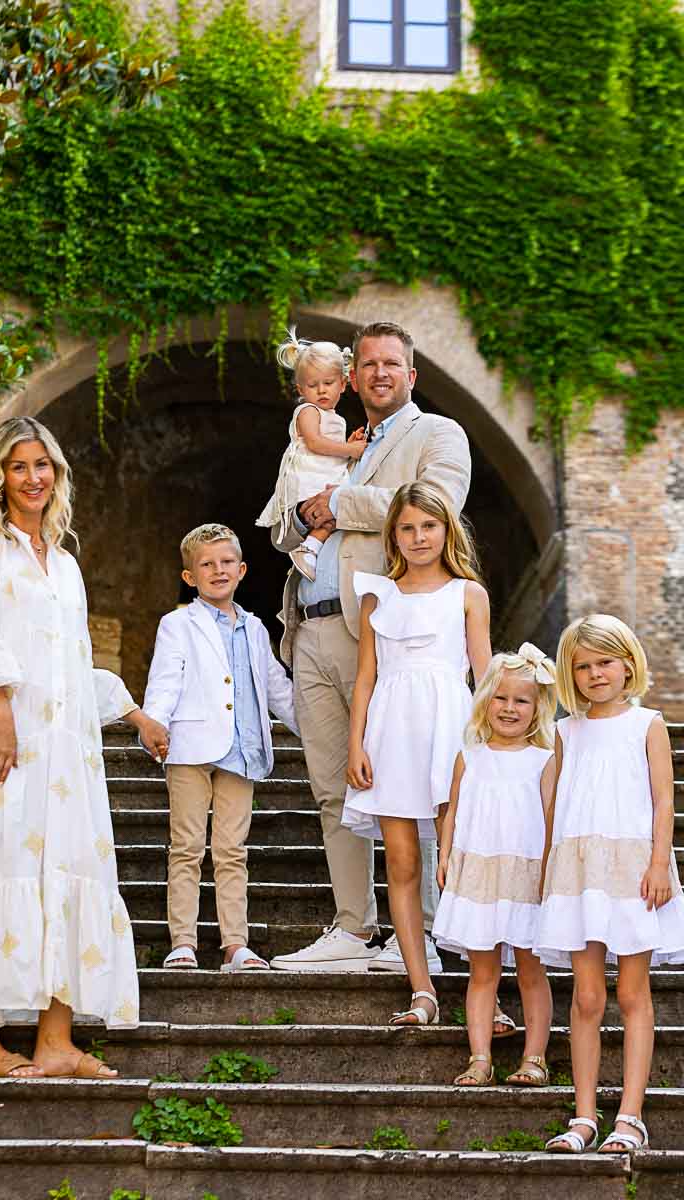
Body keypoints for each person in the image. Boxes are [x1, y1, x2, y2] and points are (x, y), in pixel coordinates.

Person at [0, 416, 158, 1078]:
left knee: (68, 870)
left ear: (56, 472)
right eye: (19, 466)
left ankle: (56, 1041)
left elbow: (71, 664)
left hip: (61, 756)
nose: (33, 477)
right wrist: (1, 717)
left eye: (41, 464)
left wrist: (130, 714)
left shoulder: (67, 564)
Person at [268, 319, 472, 979]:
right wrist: (302, 516)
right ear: (352, 377)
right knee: (333, 786)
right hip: (312, 628)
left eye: (392, 363)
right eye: (369, 364)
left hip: (390, 638)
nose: (379, 373)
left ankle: (430, 934)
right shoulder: (328, 438)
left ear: (411, 376)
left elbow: (436, 503)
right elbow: (282, 522)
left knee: (415, 786)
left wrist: (340, 501)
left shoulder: (437, 434)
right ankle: (353, 925)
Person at [344, 482, 491, 1024]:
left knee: (461, 861)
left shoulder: (468, 595)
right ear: (394, 536)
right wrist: (356, 742)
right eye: (407, 528)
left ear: (446, 530)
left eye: (428, 526)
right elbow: (365, 677)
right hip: (391, 731)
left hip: (451, 729)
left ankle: (486, 989)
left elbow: (484, 675)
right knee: (402, 863)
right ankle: (422, 988)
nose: (418, 537)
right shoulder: (377, 595)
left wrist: (487, 750)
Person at [539, 614, 684, 1154]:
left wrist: (659, 863)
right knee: (587, 996)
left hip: (632, 871)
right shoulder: (563, 731)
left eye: (605, 662)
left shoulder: (647, 723)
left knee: (631, 992)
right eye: (582, 666)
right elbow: (554, 806)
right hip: (579, 872)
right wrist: (551, 873)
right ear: (569, 675)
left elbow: (664, 799)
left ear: (628, 664)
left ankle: (629, 1117)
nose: (595, 673)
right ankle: (582, 1117)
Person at [139, 523, 299, 972]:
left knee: (233, 850)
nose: (218, 570)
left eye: (227, 562)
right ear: (190, 577)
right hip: (190, 747)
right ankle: (183, 941)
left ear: (243, 569)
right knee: (187, 845)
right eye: (206, 564)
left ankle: (235, 944)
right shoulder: (178, 624)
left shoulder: (254, 627)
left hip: (242, 751)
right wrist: (154, 722)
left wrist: (314, 730)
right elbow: (166, 678)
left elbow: (276, 687)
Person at [433, 645, 556, 1086]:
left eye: (521, 700)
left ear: (538, 706)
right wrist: (445, 856)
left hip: (526, 876)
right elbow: (454, 811)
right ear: (485, 700)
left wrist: (548, 872)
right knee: (482, 971)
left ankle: (535, 1057)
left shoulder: (544, 761)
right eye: (501, 698)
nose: (509, 708)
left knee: (530, 969)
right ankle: (480, 1057)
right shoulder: (470, 757)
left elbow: (549, 821)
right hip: (480, 874)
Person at [256, 329, 364, 582]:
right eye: (313, 385)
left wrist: (347, 447)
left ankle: (314, 551)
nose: (321, 391)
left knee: (339, 511)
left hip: (323, 472)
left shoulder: (336, 418)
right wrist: (350, 450)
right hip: (308, 477)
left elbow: (329, 450)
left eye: (328, 383)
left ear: (343, 384)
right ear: (301, 389)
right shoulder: (308, 411)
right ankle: (309, 549)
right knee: (333, 511)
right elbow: (315, 443)